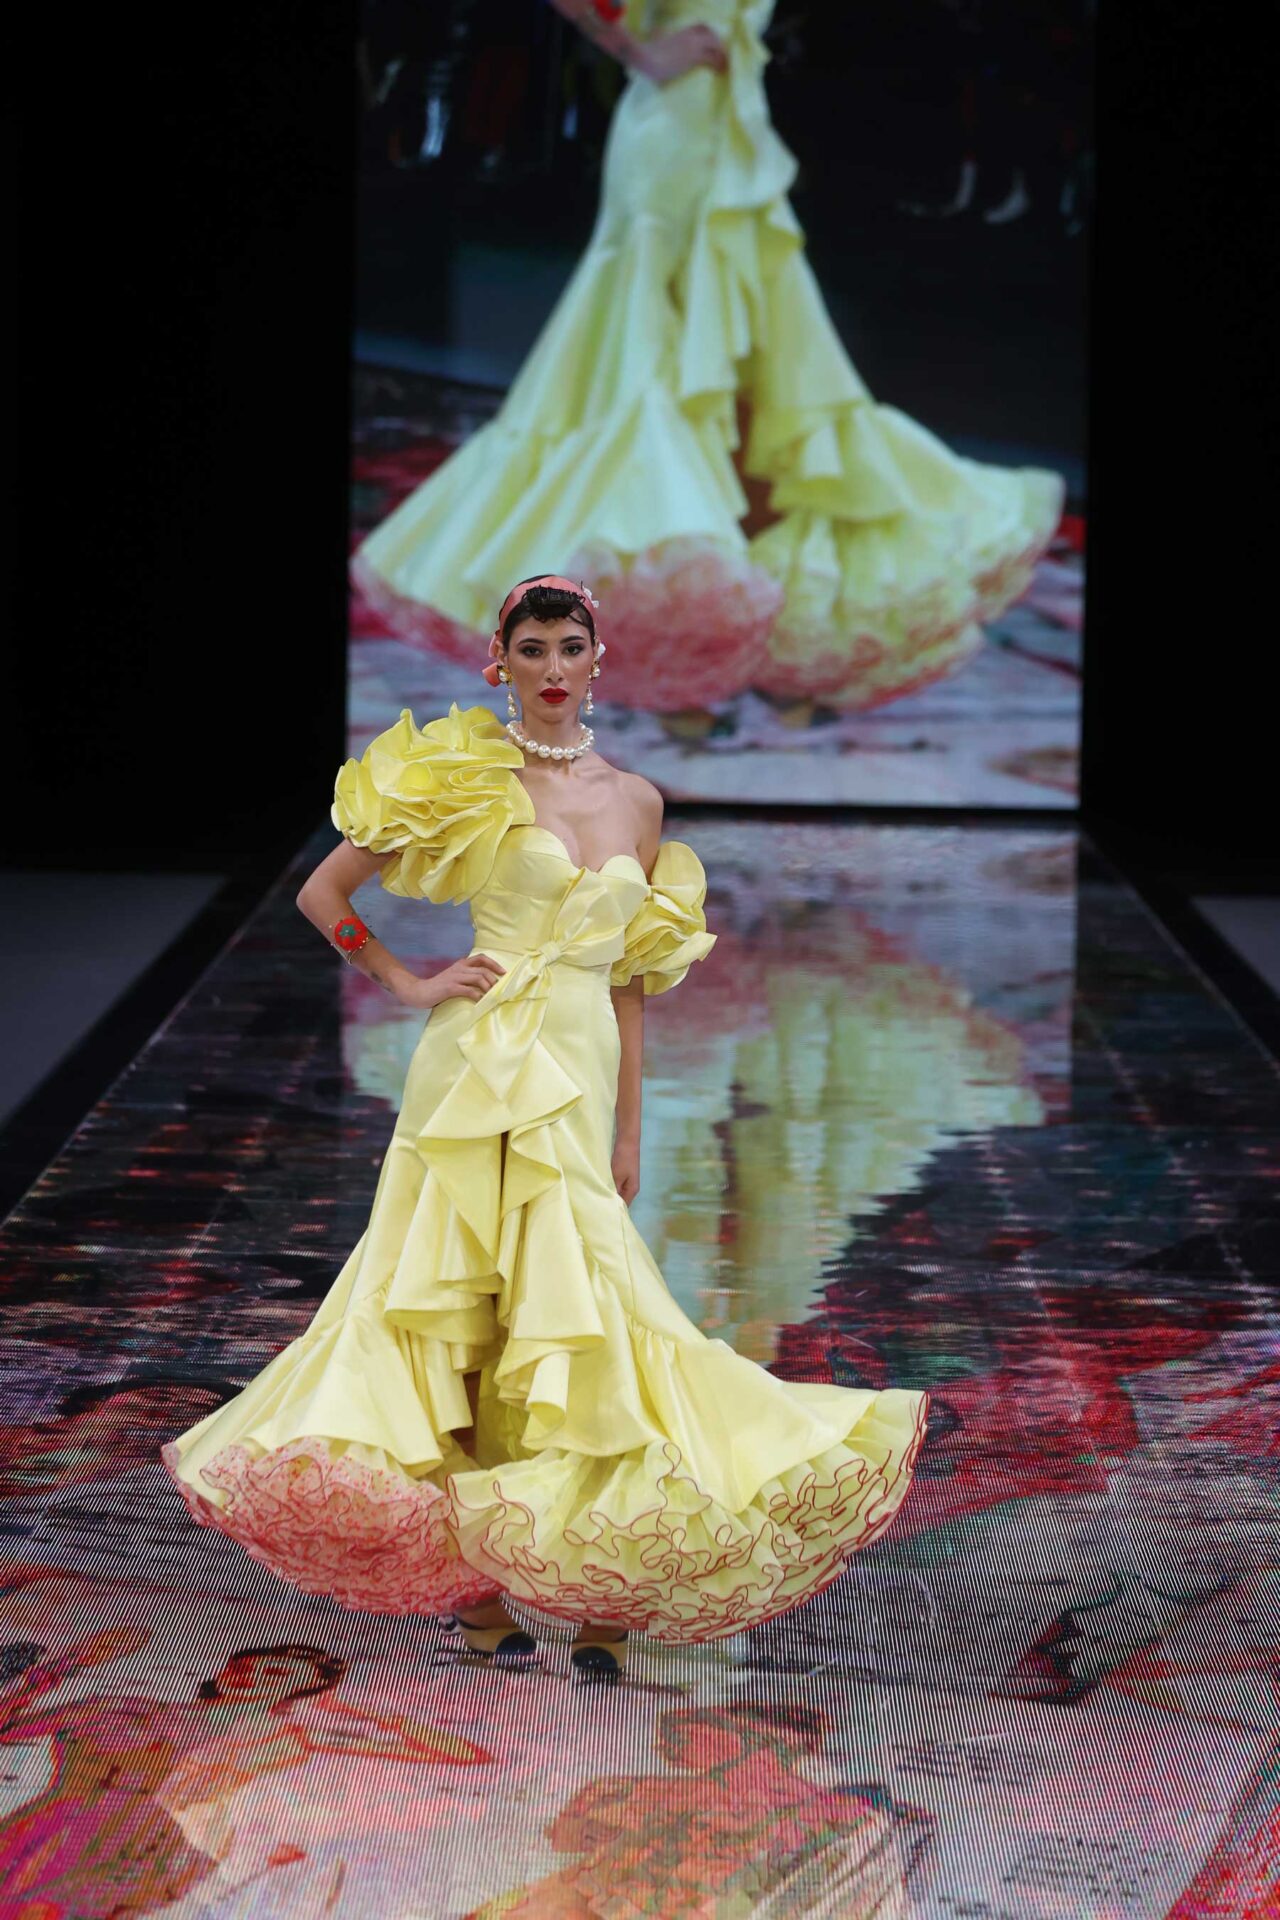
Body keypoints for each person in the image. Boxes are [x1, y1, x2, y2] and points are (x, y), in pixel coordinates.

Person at [162, 577, 929, 1675]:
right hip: (474, 1071)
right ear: (500, 663)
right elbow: (323, 895)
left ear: (598, 659)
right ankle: (479, 1591)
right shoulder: (463, 778)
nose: (554, 667)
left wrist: (631, 1130)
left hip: (580, 1073)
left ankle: (598, 1575)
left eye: (571, 646)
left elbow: (631, 980)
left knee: (587, 1318)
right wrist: (405, 981)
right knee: (461, 1314)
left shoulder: (639, 803)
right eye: (533, 648)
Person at [351, 2, 1064, 727]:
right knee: (666, 379)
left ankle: (773, 639)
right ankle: (670, 665)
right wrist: (638, 49)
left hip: (736, 132)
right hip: (676, 136)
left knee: (767, 374)